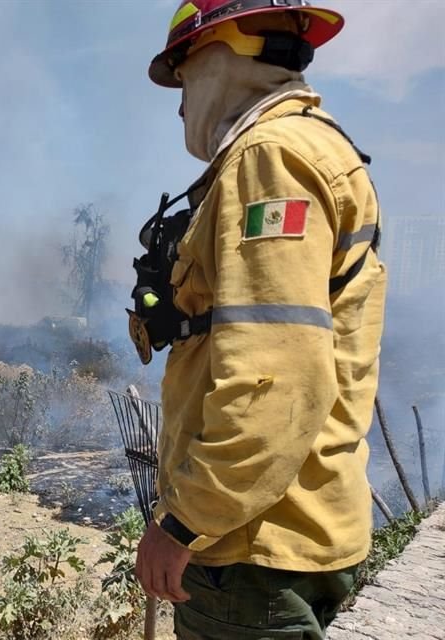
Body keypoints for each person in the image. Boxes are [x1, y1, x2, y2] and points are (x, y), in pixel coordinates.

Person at [130, 2, 387, 638]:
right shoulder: (316, 145)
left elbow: (276, 377)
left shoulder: (268, 158)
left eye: (182, 79)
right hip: (288, 529)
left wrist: (183, 523)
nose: (180, 106)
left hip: (250, 547)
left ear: (221, 56)